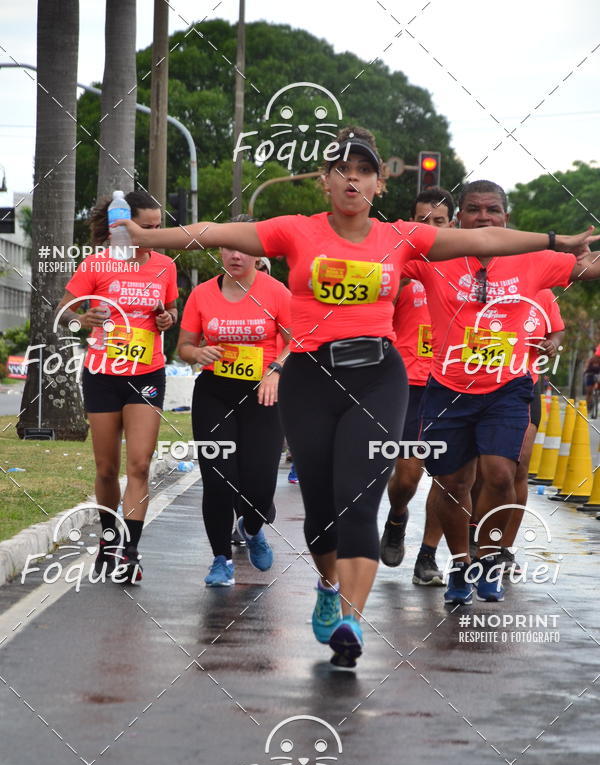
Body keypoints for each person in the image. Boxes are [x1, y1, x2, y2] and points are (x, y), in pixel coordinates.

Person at [113, 131, 597, 666]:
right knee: (322, 506)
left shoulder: (401, 237)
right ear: (325, 182)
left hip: (378, 377)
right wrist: (147, 236)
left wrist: (556, 240)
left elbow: (489, 242)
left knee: (359, 497)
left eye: (364, 170)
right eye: (342, 169)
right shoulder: (295, 230)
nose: (352, 178)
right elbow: (213, 232)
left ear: (378, 185)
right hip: (310, 378)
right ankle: (328, 584)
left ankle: (352, 620)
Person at [403, 179, 600, 606]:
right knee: (453, 483)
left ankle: (489, 559)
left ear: (506, 218)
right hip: (447, 389)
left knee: (500, 475)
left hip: (507, 387)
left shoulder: (534, 259)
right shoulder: (435, 256)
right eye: (474, 210)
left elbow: (588, 268)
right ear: (459, 218)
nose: (484, 217)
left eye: (492, 210)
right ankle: (460, 564)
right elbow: (380, 252)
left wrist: (585, 253)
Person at [57, 191, 178, 582]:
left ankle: (131, 552)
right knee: (106, 468)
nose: (153, 234)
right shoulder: (97, 264)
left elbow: (170, 309)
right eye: (146, 227)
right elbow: (64, 313)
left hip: (147, 372)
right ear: (123, 226)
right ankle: (109, 539)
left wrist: (168, 318)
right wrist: (82, 320)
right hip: (103, 374)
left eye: (158, 227)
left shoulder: (164, 266)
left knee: (140, 464)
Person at [176, 216, 291, 586]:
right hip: (215, 393)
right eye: (228, 247)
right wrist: (198, 353)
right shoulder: (202, 294)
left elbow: (298, 340)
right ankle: (220, 560)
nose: (235, 255)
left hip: (263, 395)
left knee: (260, 484)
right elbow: (183, 348)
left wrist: (275, 370)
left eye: (243, 248)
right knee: (218, 479)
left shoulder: (276, 292)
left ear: (258, 253)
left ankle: (253, 528)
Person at [380, 187, 454, 586]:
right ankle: (396, 517)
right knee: (408, 476)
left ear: (452, 225)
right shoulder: (400, 267)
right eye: (422, 221)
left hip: (455, 385)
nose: (430, 228)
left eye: (439, 222)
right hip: (409, 386)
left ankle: (427, 556)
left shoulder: (466, 269)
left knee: (449, 480)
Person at [468, 287, 565, 569]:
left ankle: (504, 548)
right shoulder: (480, 283)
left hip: (523, 386)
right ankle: (473, 532)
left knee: (518, 466)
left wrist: (551, 344)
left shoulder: (541, 290)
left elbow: (557, 330)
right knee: (478, 469)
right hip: (475, 383)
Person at [583, 351, 600, 417]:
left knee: (597, 388)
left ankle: (596, 399)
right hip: (589, 375)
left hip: (597, 376)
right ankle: (587, 406)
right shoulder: (590, 360)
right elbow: (586, 368)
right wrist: (585, 370)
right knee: (589, 392)